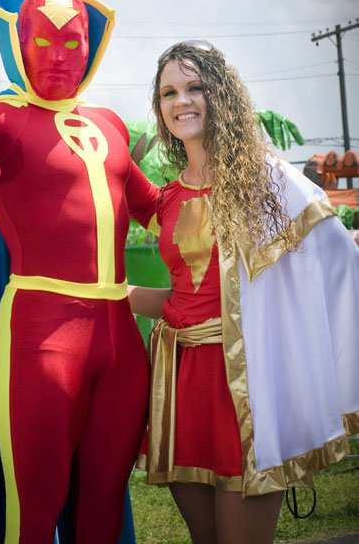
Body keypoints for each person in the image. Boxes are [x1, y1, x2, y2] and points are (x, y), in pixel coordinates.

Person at [0, 0, 159, 544]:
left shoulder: (111, 124)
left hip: (121, 338)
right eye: (41, 40)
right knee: (35, 509)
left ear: (91, 47)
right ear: (19, 46)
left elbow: (157, 209)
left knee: (102, 503)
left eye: (70, 42)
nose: (56, 55)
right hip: (42, 334)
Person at [128, 41, 359, 544]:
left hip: (246, 390)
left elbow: (339, 258)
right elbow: (184, 298)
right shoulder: (170, 195)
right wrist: (114, 295)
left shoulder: (264, 181)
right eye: (168, 92)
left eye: (195, 87)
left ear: (222, 95)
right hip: (181, 385)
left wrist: (294, 342)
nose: (180, 101)